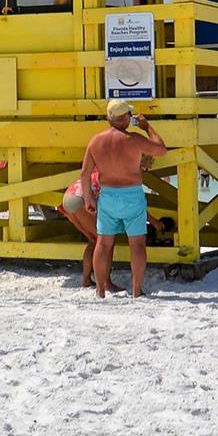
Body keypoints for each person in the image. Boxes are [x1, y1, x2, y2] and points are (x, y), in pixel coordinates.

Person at [81, 98, 167, 299]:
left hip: (108, 195)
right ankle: (136, 290)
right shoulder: (134, 140)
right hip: (131, 194)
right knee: (137, 244)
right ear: (126, 118)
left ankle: (100, 290)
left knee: (103, 244)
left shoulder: (96, 141)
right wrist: (147, 127)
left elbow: (85, 173)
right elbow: (161, 149)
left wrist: (88, 198)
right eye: (129, 114)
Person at [59, 177, 120, 291]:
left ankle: (86, 280)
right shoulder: (121, 178)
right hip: (81, 198)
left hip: (70, 195)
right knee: (106, 241)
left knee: (94, 240)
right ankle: (106, 282)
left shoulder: (105, 170)